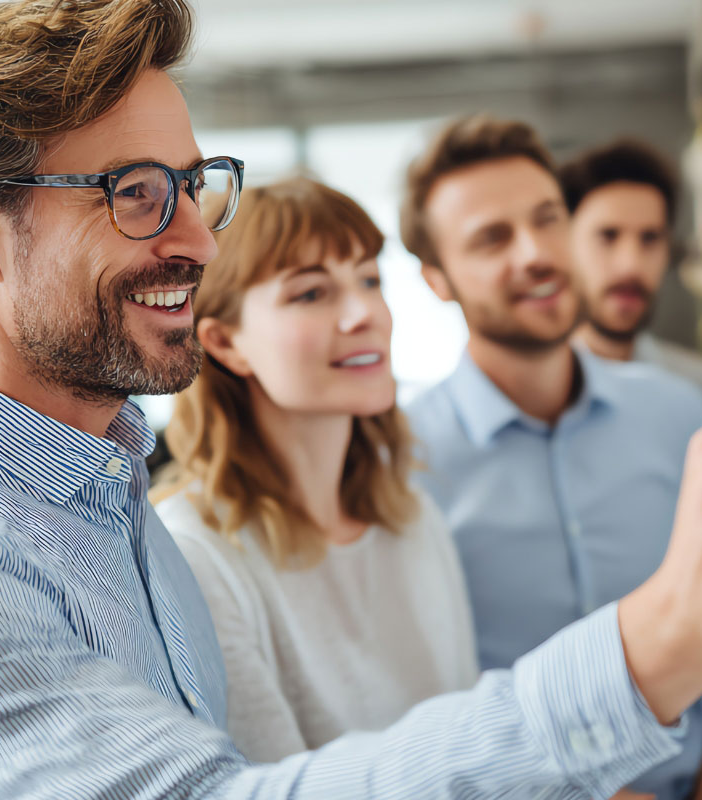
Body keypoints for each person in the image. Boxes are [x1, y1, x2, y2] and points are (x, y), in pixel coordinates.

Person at [0, 0, 702, 796]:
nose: (199, 239)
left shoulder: (100, 489)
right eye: (134, 194)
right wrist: (660, 643)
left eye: (194, 184)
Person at [400, 115, 702, 800]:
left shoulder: (680, 414)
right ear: (437, 279)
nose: (536, 253)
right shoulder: (399, 461)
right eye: (492, 238)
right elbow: (421, 693)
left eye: (547, 218)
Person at [152, 177, 478, 761]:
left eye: (370, 280)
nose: (365, 314)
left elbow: (474, 749)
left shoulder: (413, 518)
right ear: (226, 344)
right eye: (310, 294)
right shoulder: (197, 552)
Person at [559, 138, 702, 414]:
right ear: (564, 246)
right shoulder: (537, 400)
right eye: (608, 236)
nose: (631, 265)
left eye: (650, 238)